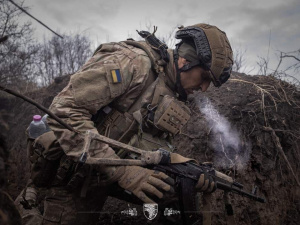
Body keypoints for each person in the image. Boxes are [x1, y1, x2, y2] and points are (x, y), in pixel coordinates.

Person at [17, 23, 233, 225]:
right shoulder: (134, 64)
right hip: (70, 173)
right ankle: (26, 204)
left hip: (101, 174)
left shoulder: (169, 89)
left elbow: (147, 143)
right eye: (204, 77)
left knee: (171, 193)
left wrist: (188, 168)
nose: (204, 88)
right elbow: (64, 110)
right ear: (185, 62)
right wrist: (122, 172)